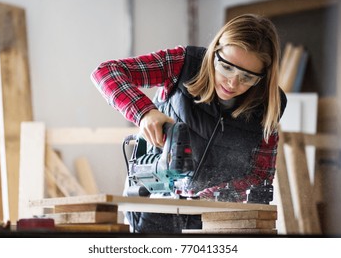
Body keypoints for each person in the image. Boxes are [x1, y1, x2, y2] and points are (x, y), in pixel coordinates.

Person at [91, 13, 287, 233]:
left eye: (247, 77)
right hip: (154, 204)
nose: (232, 82)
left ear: (263, 76)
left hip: (214, 219)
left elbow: (259, 176)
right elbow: (107, 73)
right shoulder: (184, 64)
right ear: (215, 51)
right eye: (227, 67)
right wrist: (144, 113)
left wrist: (206, 198)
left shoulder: (269, 104)